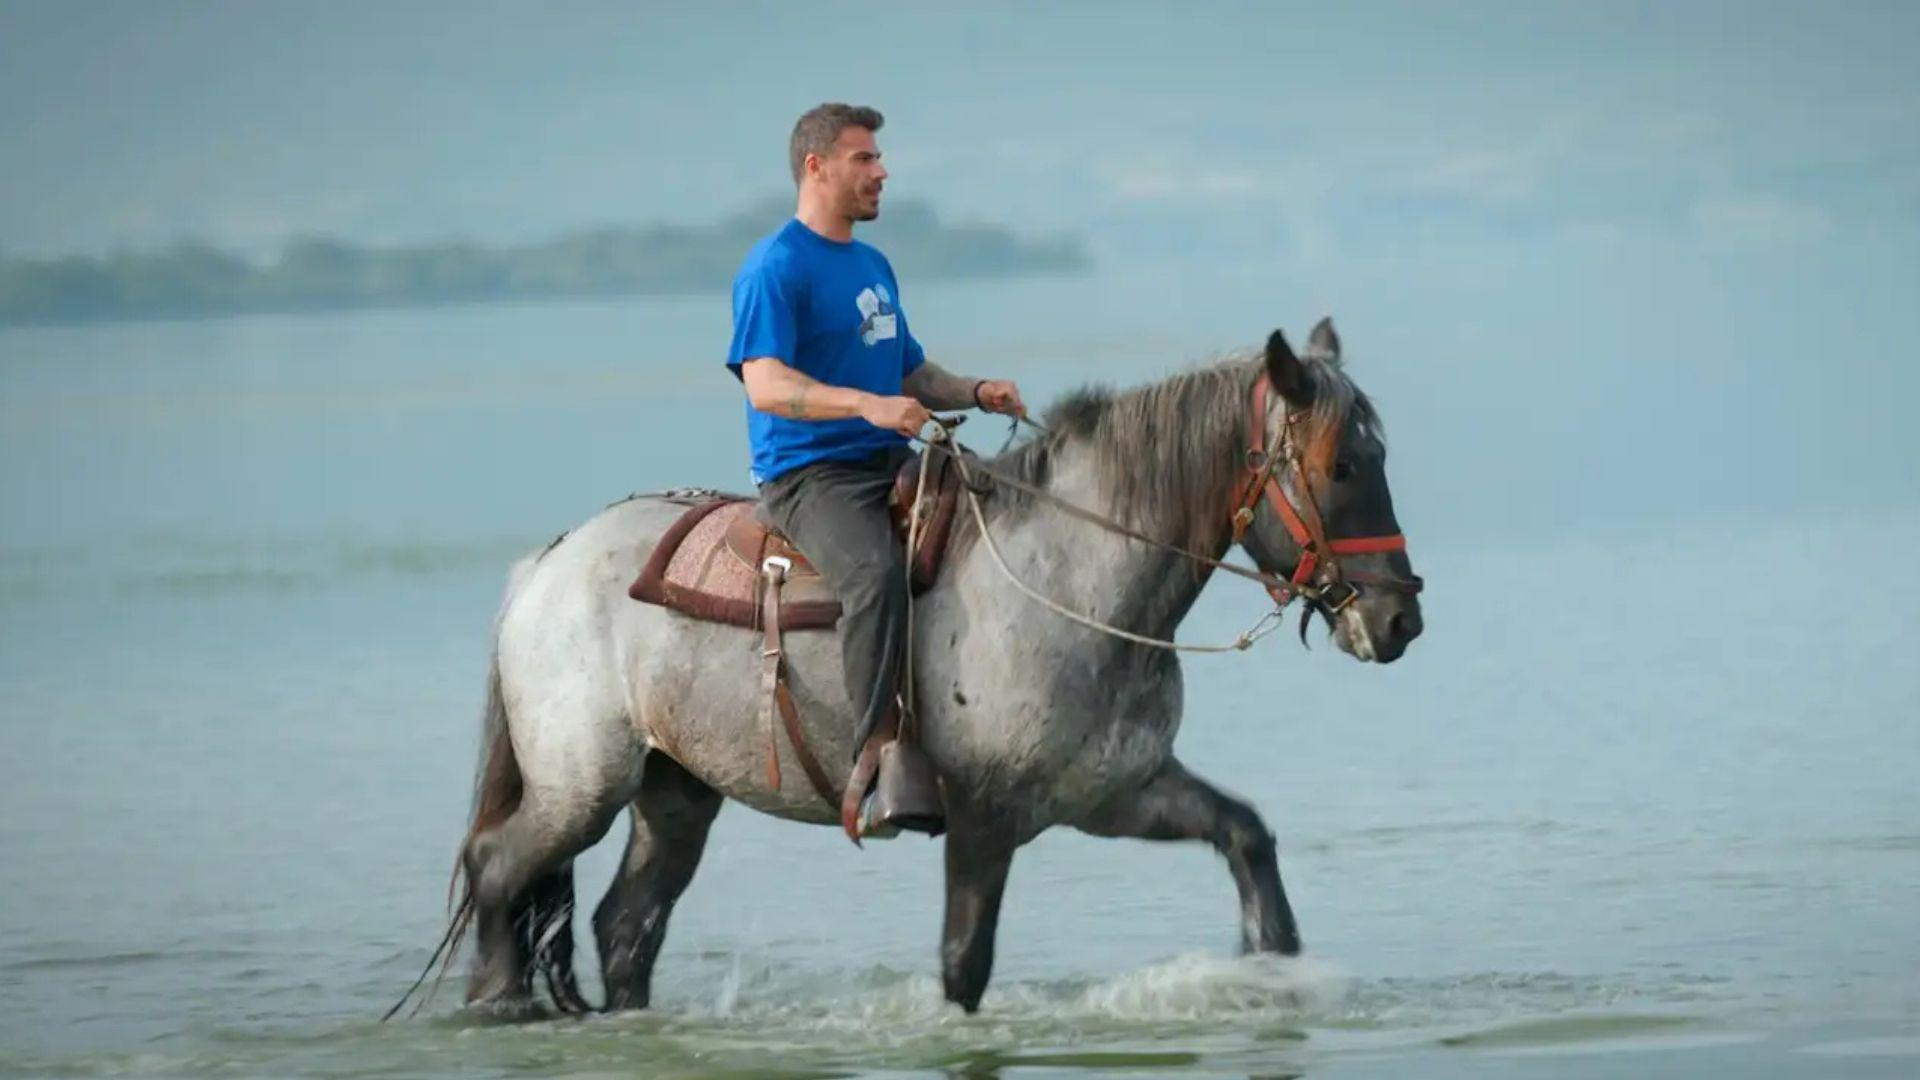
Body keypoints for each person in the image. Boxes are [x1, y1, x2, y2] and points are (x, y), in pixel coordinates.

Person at [725, 103, 1025, 836]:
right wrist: (868, 405)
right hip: (812, 476)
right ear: (816, 166)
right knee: (874, 576)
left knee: (1000, 519)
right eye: (865, 158)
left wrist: (974, 392)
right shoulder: (775, 267)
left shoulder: (873, 264)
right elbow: (766, 385)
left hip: (888, 455)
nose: (882, 171)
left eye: (878, 158)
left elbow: (910, 369)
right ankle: (877, 761)